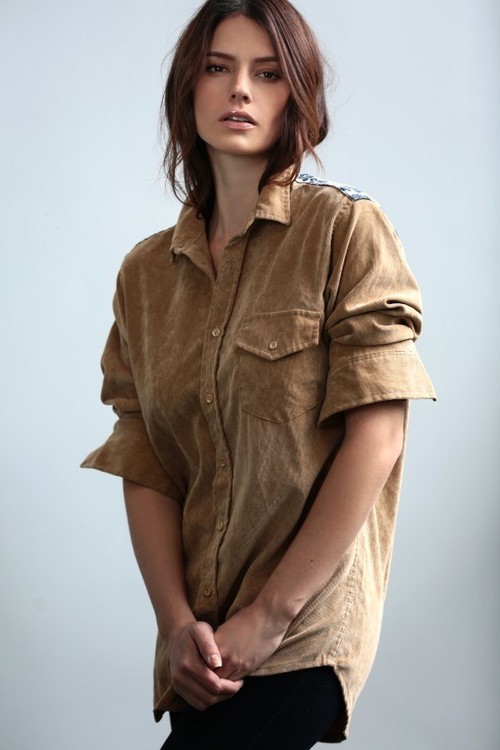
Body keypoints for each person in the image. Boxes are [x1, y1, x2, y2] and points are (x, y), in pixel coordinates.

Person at [82, 0, 436, 747]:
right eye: (219, 68)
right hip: (201, 647)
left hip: (302, 631)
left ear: (296, 98)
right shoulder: (145, 275)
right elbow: (143, 457)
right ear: (189, 88)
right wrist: (176, 625)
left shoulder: (344, 231)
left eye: (268, 74)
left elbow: (379, 435)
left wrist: (270, 615)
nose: (240, 89)